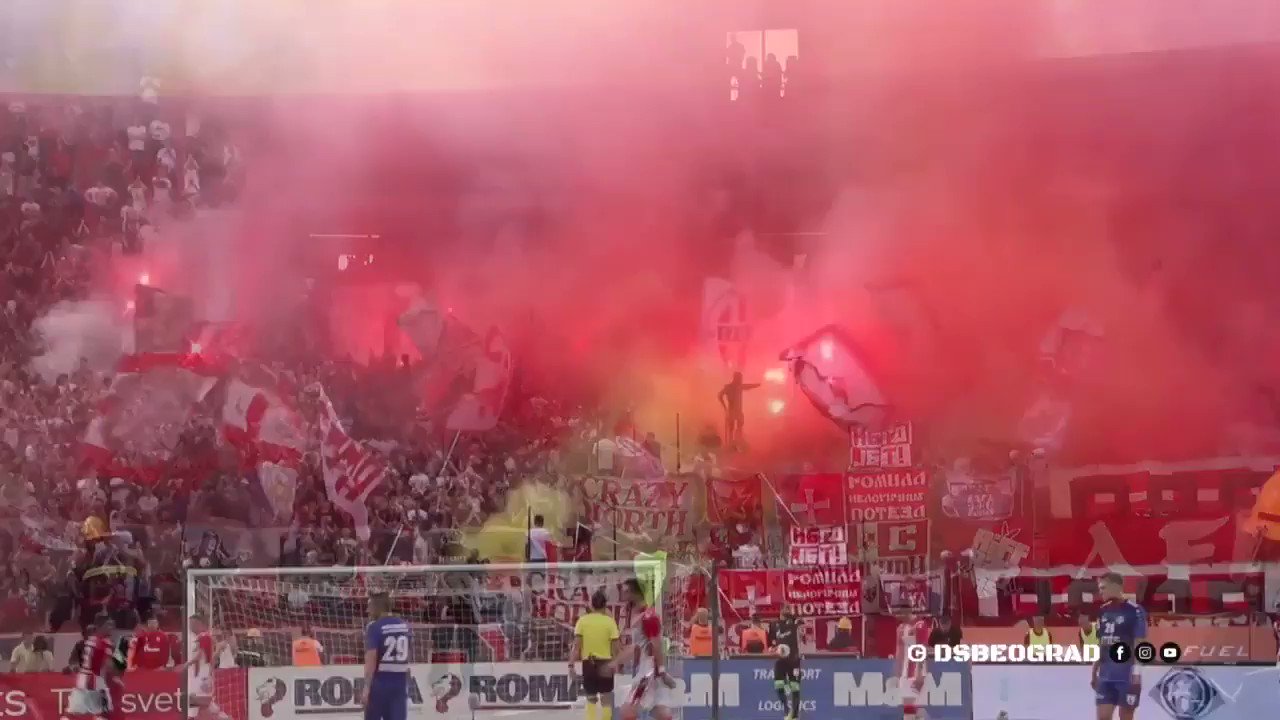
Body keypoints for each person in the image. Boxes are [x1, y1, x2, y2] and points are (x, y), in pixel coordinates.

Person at [617, 578, 676, 720]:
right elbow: (639, 645)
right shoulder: (639, 615)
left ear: (635, 593)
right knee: (661, 712)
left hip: (648, 671)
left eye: (625, 591)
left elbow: (656, 644)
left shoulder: (648, 617)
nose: (622, 595)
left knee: (627, 711)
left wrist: (661, 671)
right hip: (645, 669)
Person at [1093, 572, 1146, 720]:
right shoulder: (1102, 611)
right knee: (1102, 717)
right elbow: (1102, 644)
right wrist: (1094, 671)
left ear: (1116, 587)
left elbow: (1139, 643)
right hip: (1105, 676)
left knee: (1126, 716)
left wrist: (1137, 673)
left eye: (1103, 587)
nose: (1100, 591)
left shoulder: (1134, 610)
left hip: (1126, 675)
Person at [571, 590, 621, 720]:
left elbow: (576, 648)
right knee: (606, 700)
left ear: (591, 605)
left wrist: (571, 665)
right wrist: (617, 664)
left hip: (589, 663)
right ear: (605, 606)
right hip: (606, 664)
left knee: (591, 699)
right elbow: (616, 648)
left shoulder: (582, 621)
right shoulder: (610, 622)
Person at [362, 592, 411, 720]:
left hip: (380, 683)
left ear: (377, 607)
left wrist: (366, 687)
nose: (367, 610)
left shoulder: (374, 627)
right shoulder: (404, 625)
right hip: (399, 684)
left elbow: (371, 659)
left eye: (369, 606)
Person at [68, 616, 123, 718]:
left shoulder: (91, 640)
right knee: (105, 712)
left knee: (74, 713)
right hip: (94, 681)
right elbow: (108, 665)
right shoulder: (103, 643)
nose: (112, 627)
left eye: (112, 625)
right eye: (108, 625)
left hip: (82, 679)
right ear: (100, 627)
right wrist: (116, 677)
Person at [178, 614, 230, 720]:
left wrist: (186, 665)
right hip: (199, 674)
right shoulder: (200, 638)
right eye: (189, 624)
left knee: (200, 701)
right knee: (197, 702)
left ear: (199, 624)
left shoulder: (204, 636)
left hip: (202, 674)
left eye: (192, 623)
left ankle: (223, 717)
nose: (190, 626)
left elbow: (200, 654)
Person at [893, 607, 931, 720]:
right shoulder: (900, 628)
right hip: (904, 673)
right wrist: (897, 672)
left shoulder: (920, 625)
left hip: (915, 672)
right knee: (908, 708)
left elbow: (922, 649)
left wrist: (919, 673)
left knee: (913, 707)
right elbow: (898, 651)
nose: (897, 616)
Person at [769, 605, 802, 720]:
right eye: (784, 608)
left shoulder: (795, 622)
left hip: (793, 660)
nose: (786, 610)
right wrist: (772, 648)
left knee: (795, 688)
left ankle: (795, 715)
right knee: (778, 685)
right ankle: (786, 710)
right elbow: (771, 643)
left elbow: (800, 621)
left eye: (788, 609)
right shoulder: (774, 625)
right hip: (781, 660)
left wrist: (792, 617)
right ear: (780, 611)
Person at [718, 372, 760, 447]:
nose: (741, 380)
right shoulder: (728, 387)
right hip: (731, 410)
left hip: (738, 410)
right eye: (740, 378)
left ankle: (737, 440)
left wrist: (757, 385)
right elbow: (719, 395)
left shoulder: (739, 386)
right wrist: (724, 407)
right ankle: (731, 443)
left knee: (739, 425)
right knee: (731, 427)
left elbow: (748, 386)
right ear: (736, 378)